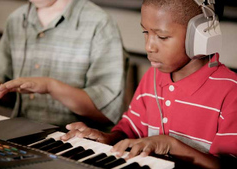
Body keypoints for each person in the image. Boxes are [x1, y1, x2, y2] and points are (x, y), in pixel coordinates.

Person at [60, 0, 237, 168]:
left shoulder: (230, 91)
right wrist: (106, 138)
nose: (149, 46)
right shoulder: (153, 76)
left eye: (162, 36)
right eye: (146, 32)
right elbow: (130, 130)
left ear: (201, 36)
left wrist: (171, 145)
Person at [0, 0, 127, 131]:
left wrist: (51, 87)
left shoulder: (99, 23)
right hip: (22, 132)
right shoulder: (16, 19)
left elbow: (108, 112)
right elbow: (9, 95)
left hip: (74, 141)